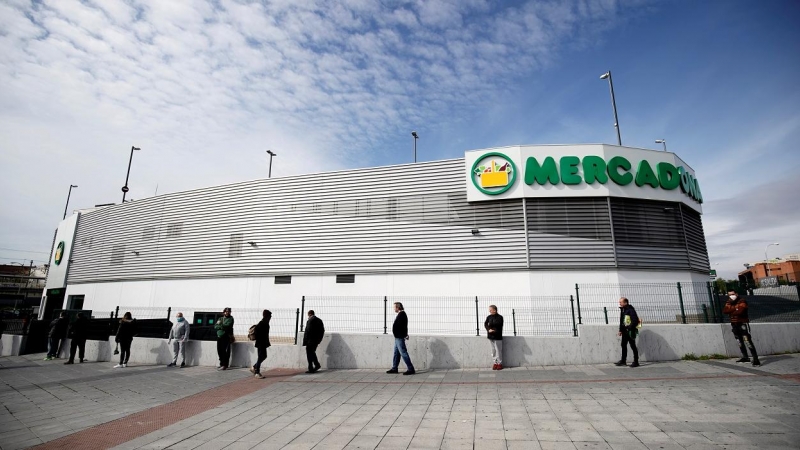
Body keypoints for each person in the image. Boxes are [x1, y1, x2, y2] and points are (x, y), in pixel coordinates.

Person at [723, 290, 760, 366]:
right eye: (729, 295)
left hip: (742, 323)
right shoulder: (728, 302)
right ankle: (745, 357)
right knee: (739, 341)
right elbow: (725, 310)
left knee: (747, 340)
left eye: (733, 294)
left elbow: (740, 311)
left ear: (736, 294)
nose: (731, 296)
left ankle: (755, 359)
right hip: (734, 324)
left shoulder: (742, 301)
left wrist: (732, 310)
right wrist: (735, 308)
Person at [387, 302, 415, 375]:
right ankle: (394, 368)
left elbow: (403, 326)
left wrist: (405, 334)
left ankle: (410, 368)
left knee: (403, 353)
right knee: (396, 353)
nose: (393, 309)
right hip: (397, 337)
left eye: (394, 307)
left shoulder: (402, 315)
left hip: (399, 337)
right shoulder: (400, 314)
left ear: (398, 308)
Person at [615, 297, 640, 368]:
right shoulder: (623, 310)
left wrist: (628, 328)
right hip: (624, 332)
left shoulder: (630, 310)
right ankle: (623, 360)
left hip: (630, 331)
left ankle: (636, 361)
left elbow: (635, 321)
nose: (619, 303)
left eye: (621, 302)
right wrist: (620, 330)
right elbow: (622, 321)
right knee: (623, 345)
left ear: (625, 302)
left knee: (633, 346)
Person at [250, 310, 272, 379]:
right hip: (261, 343)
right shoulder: (262, 323)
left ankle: (254, 367)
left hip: (263, 343)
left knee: (264, 356)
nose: (270, 317)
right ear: (267, 316)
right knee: (260, 356)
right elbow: (258, 333)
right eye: (269, 316)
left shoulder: (265, 323)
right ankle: (257, 372)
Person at [484, 305, 504, 370]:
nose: (489, 311)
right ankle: (495, 363)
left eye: (490, 310)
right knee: (493, 350)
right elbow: (486, 324)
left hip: (497, 336)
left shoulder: (500, 317)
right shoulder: (489, 317)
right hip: (490, 336)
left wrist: (493, 330)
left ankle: (499, 363)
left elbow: (499, 325)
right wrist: (488, 329)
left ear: (494, 310)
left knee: (498, 350)